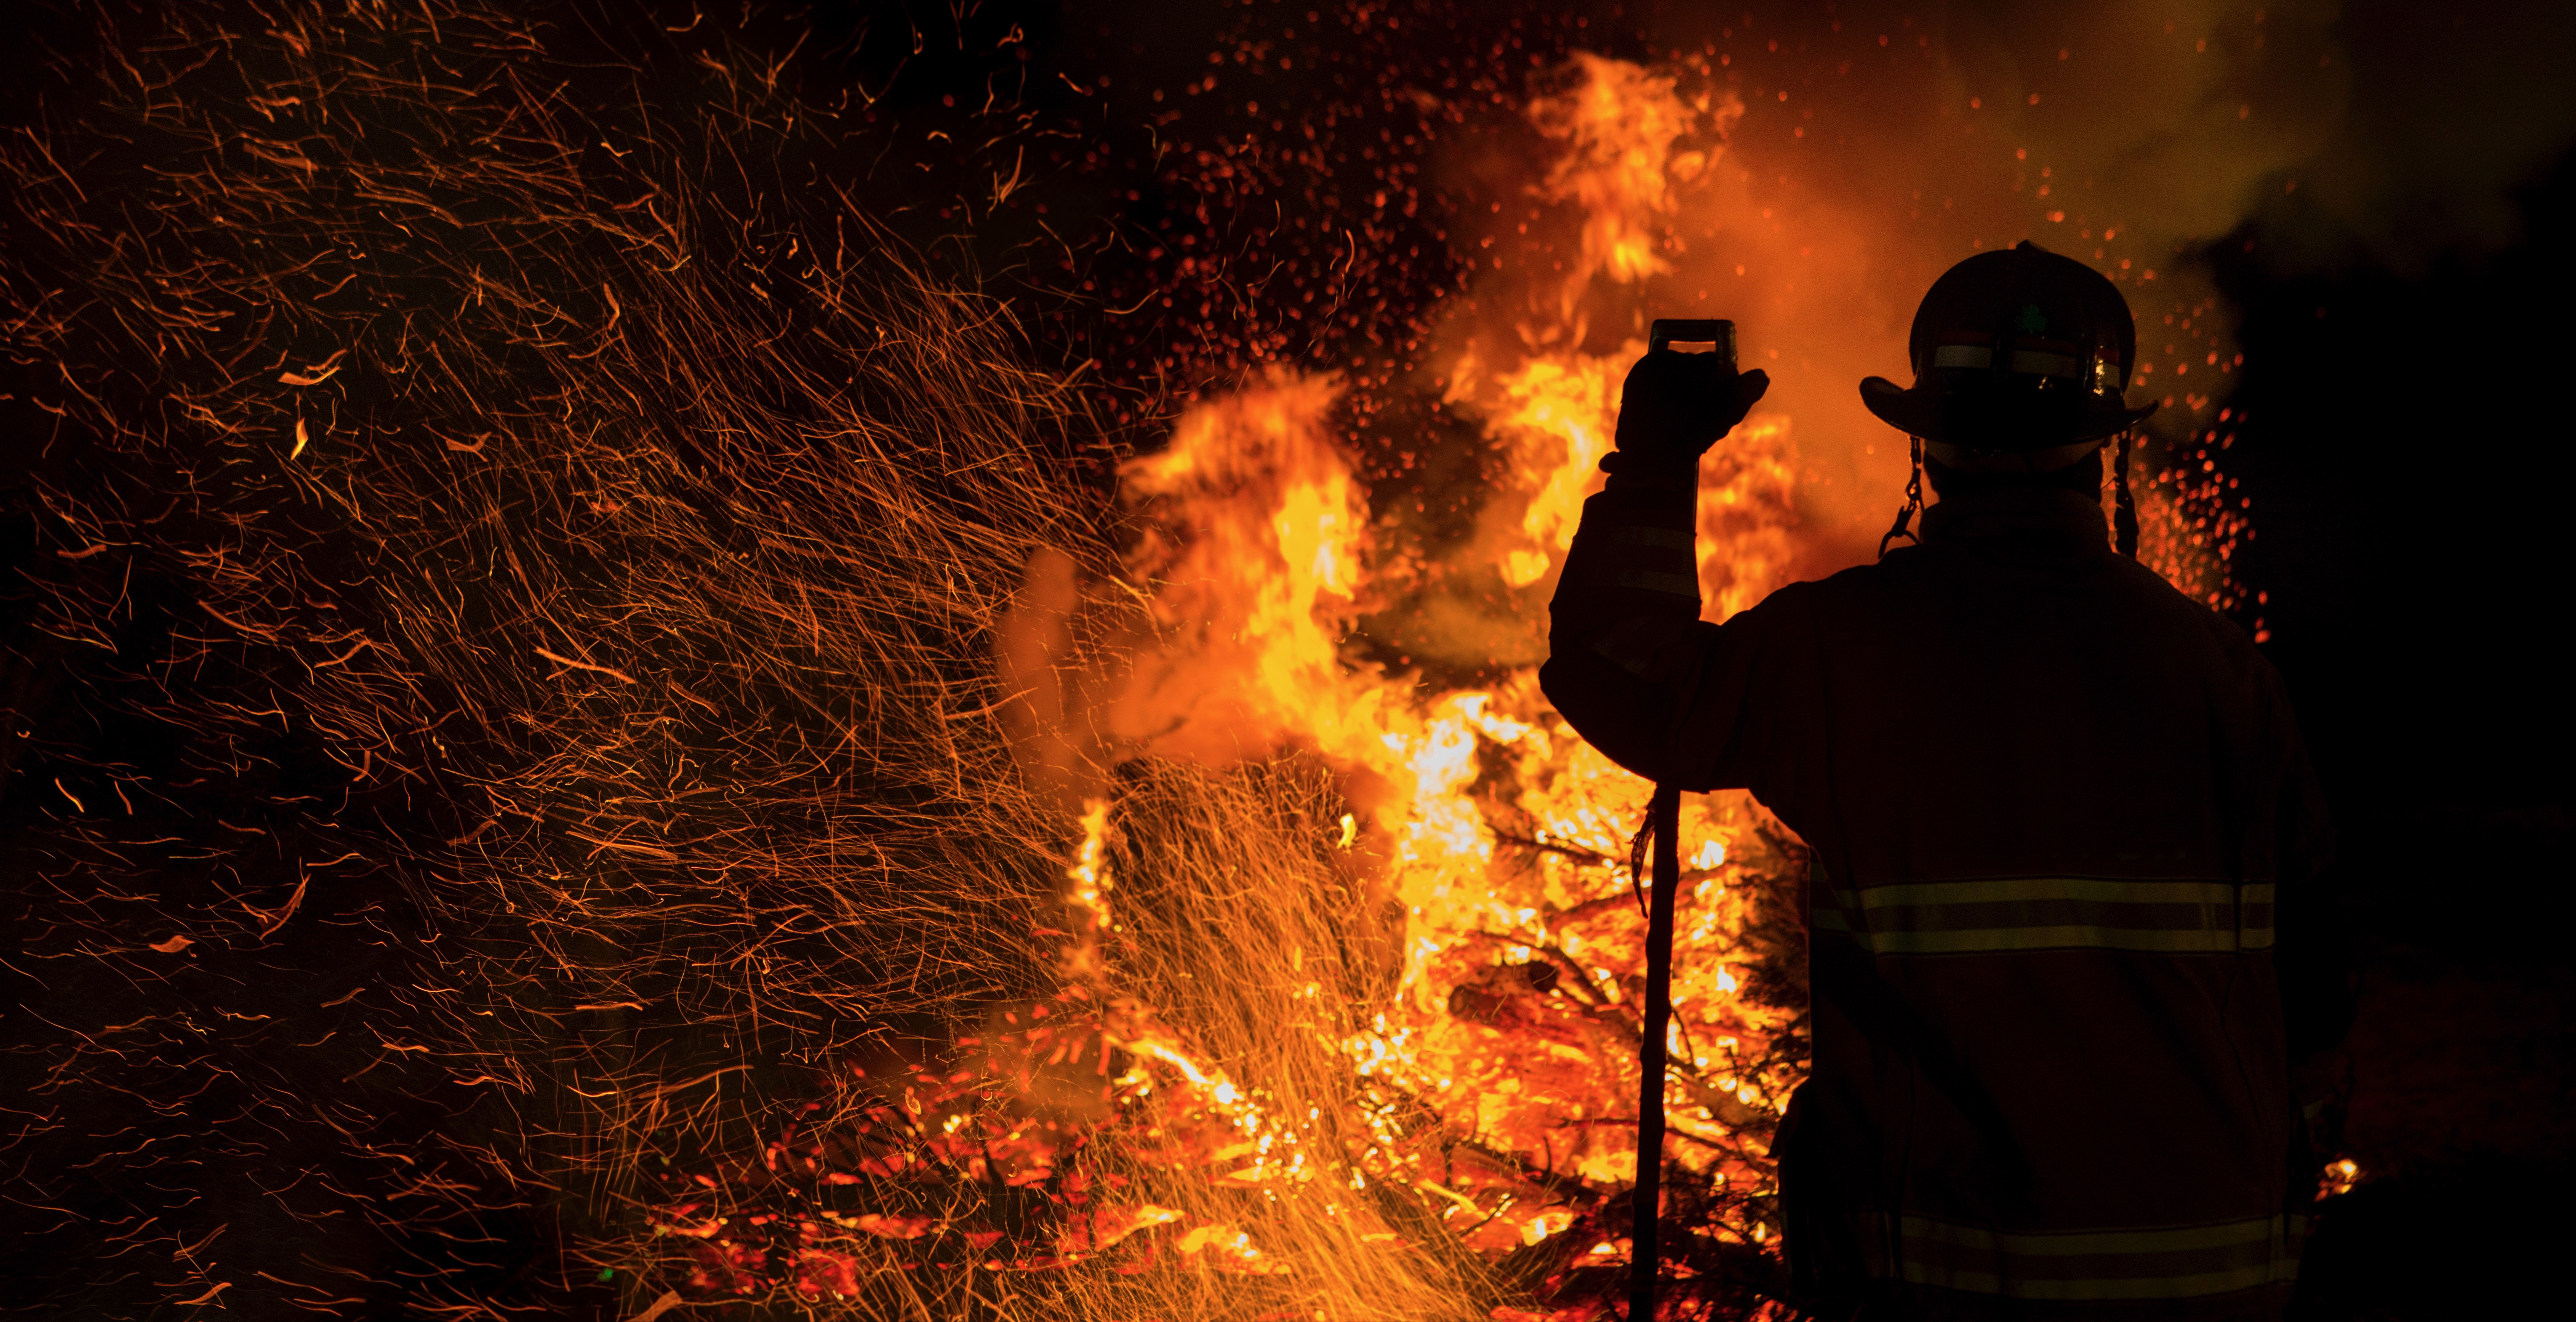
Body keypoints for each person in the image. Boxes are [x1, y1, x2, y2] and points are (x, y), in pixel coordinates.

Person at [1541, 242, 2350, 1320]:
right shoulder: (2224, 674)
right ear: (2098, 449)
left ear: (1927, 439)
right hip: (2213, 1275)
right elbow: (2319, 991)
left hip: (1954, 1278)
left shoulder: (1843, 649)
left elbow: (1617, 667)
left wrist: (1653, 460)